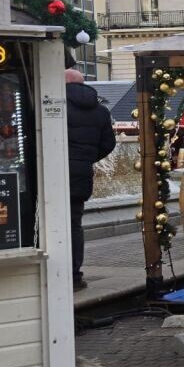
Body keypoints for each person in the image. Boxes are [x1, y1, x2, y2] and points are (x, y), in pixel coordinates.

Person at [65, 67, 115, 291]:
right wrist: (85, 159)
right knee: (74, 224)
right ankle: (74, 276)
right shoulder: (101, 111)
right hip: (81, 174)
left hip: (53, 172)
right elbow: (109, 143)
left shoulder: (54, 104)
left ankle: (53, 275)